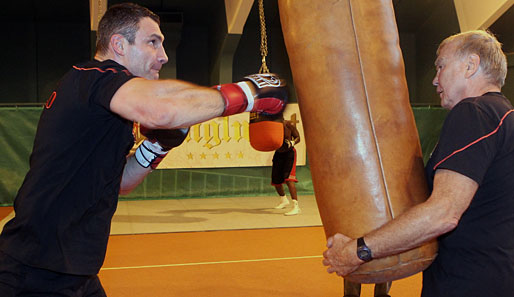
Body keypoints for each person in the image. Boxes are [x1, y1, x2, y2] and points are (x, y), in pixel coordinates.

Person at [0, 3, 287, 296]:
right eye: (152, 42)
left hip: (75, 270)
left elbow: (120, 182)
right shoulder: (94, 76)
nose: (163, 56)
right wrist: (250, 93)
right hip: (34, 271)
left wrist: (156, 147)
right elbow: (162, 111)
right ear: (119, 45)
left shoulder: (107, 102)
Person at [322, 29, 513, 297]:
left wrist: (358, 250)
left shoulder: (474, 113)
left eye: (441, 66)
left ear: (470, 65)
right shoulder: (504, 116)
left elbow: (444, 212)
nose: (435, 80)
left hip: (468, 283)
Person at [272, 119, 301, 215]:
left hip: (289, 154)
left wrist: (292, 142)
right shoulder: (271, 126)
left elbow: (298, 137)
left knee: (289, 179)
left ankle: (296, 206)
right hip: (278, 153)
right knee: (276, 180)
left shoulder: (289, 124)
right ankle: (283, 200)